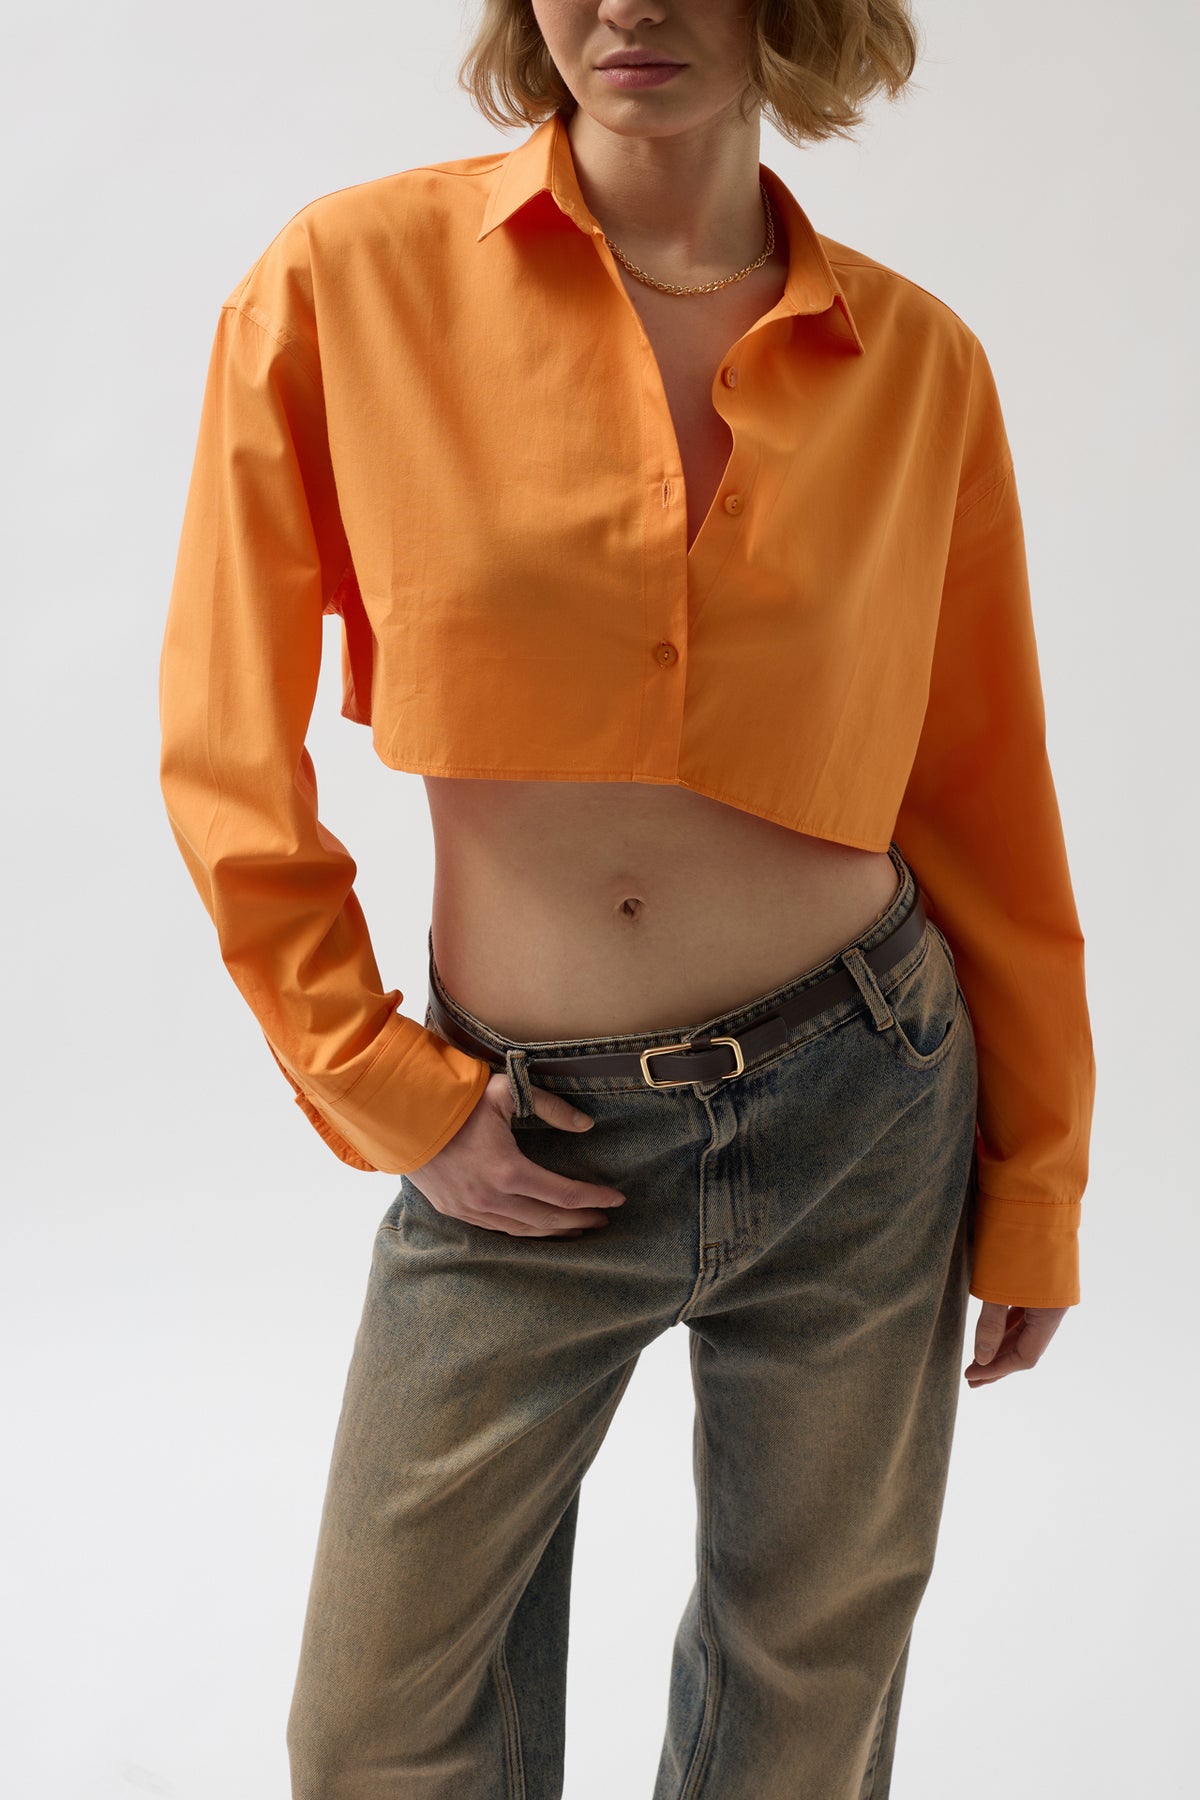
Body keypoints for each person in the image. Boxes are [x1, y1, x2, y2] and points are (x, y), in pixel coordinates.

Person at [157, 1, 1096, 1794]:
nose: (629, 5)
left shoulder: (918, 364)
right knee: (375, 1730)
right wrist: (384, 1083)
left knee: (802, 1708)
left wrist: (1037, 1174)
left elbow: (986, 798)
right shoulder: (348, 283)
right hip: (518, 1129)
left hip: (865, 1105)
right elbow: (223, 748)